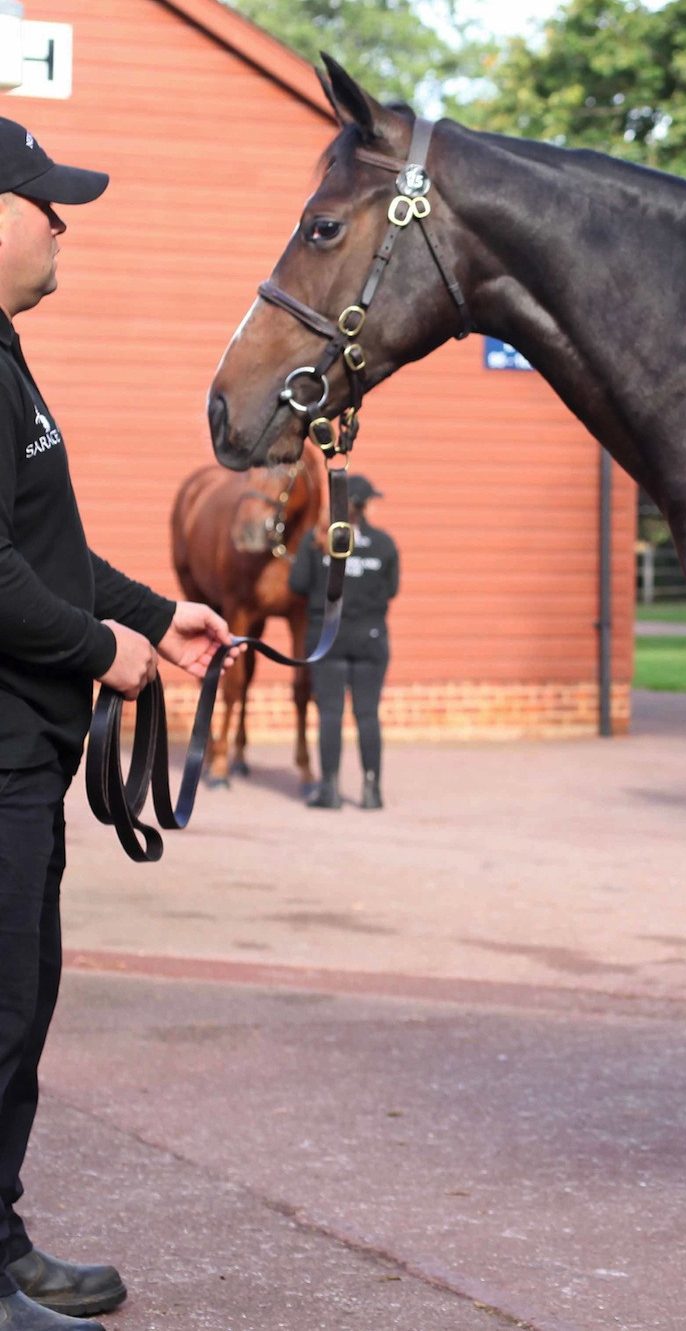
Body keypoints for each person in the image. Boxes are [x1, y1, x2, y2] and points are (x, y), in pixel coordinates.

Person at [0, 119, 232, 1329]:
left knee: (20, 996)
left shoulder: (3, 353)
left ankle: (0, 1238)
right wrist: (105, 652)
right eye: (44, 203)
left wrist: (158, 613)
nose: (61, 222)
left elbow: (42, 545)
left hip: (26, 749)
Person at [290, 473, 397, 810]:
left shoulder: (315, 540)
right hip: (371, 638)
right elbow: (391, 590)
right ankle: (371, 790)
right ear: (365, 507)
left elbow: (297, 584)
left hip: (328, 637)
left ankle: (330, 789)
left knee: (330, 714)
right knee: (367, 714)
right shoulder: (384, 544)